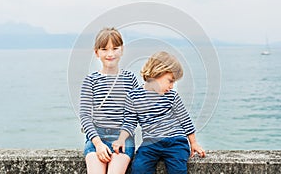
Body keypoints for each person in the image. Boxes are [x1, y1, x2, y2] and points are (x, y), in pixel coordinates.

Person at [112, 51, 205, 174]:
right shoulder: (133, 97)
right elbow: (129, 122)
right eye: (170, 81)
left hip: (175, 141)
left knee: (178, 170)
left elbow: (185, 119)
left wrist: (193, 143)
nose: (172, 86)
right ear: (157, 73)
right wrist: (121, 139)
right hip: (150, 143)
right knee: (139, 168)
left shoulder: (172, 96)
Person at [79, 27, 139, 174]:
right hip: (96, 138)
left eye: (115, 48)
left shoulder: (130, 79)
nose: (110, 54)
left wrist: (122, 138)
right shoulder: (90, 80)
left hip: (123, 139)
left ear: (122, 50)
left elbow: (134, 115)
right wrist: (98, 144)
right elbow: (85, 116)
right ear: (97, 52)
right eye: (104, 49)